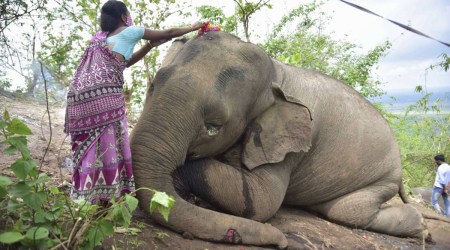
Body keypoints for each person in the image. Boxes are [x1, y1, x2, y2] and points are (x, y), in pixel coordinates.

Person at [64, 0, 205, 204]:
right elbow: (168, 33)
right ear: (123, 16)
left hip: (80, 99)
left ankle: (84, 196)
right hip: (105, 98)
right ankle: (107, 196)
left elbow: (124, 63)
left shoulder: (98, 39)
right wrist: (193, 27)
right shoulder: (129, 31)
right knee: (108, 142)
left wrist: (148, 46)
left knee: (88, 146)